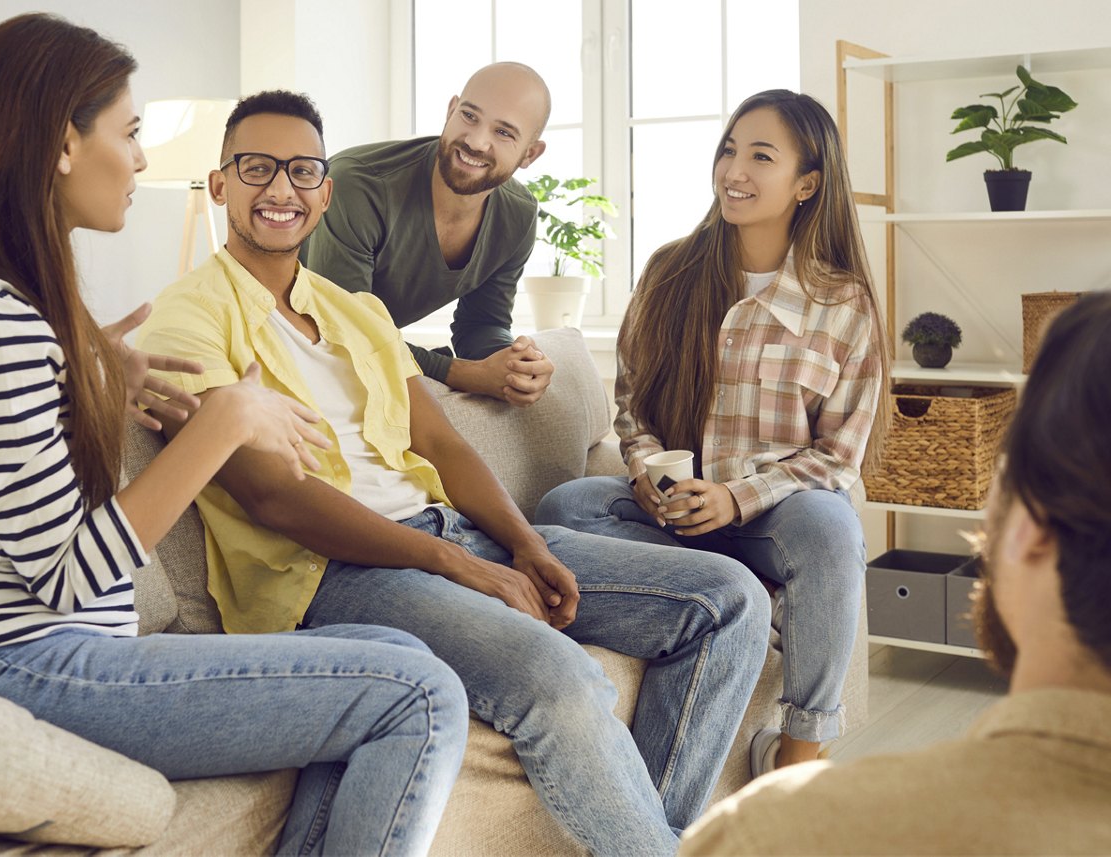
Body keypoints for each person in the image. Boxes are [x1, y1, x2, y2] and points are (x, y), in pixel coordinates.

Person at [0, 13, 469, 857]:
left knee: (390, 648)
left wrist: (87, 382)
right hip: (21, 665)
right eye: (129, 132)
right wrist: (222, 424)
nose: (140, 158)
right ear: (62, 141)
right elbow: (65, 576)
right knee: (421, 692)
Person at [136, 89, 773, 854]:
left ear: (325, 192)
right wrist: (459, 566)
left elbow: (443, 445)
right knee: (559, 677)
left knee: (727, 600)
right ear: (220, 184)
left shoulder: (356, 311)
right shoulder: (189, 315)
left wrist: (526, 546)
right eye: (256, 168)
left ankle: (654, 834)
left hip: (455, 533)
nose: (281, 189)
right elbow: (270, 493)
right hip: (333, 573)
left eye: (302, 170)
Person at [677, 291, 1111, 855]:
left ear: (1031, 532)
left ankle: (799, 745)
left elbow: (835, 460)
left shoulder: (776, 834)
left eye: (1002, 474)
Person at [535, 89, 889, 775]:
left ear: (808, 183)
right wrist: (643, 472)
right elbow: (633, 402)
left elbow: (840, 452)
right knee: (563, 509)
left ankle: (798, 752)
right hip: (670, 518)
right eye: (730, 149)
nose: (735, 169)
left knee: (832, 525)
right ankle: (731, 591)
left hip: (773, 516)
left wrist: (737, 499)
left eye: (761, 155)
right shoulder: (672, 272)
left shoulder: (841, 301)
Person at [301, 62, 555, 407]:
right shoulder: (358, 187)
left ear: (530, 153)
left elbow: (482, 323)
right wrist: (465, 373)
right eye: (469, 116)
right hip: (277, 346)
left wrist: (511, 363)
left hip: (355, 356)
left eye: (504, 133)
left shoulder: (518, 216)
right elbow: (345, 333)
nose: (477, 141)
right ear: (451, 111)